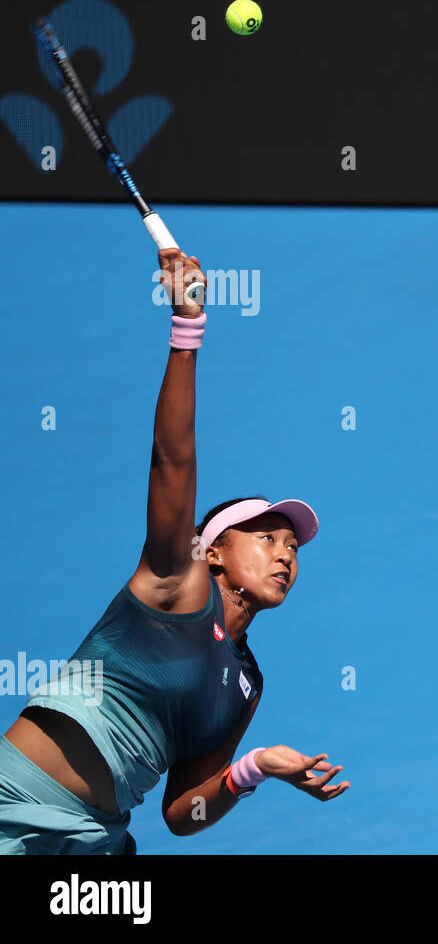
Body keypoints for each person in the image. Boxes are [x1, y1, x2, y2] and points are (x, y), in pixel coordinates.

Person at [0, 248, 349, 854]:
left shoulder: (246, 682)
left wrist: (254, 768)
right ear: (210, 552)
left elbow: (182, 812)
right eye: (264, 538)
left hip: (95, 840)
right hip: (13, 801)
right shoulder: (174, 584)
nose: (285, 555)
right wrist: (187, 328)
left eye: (291, 545)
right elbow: (172, 458)